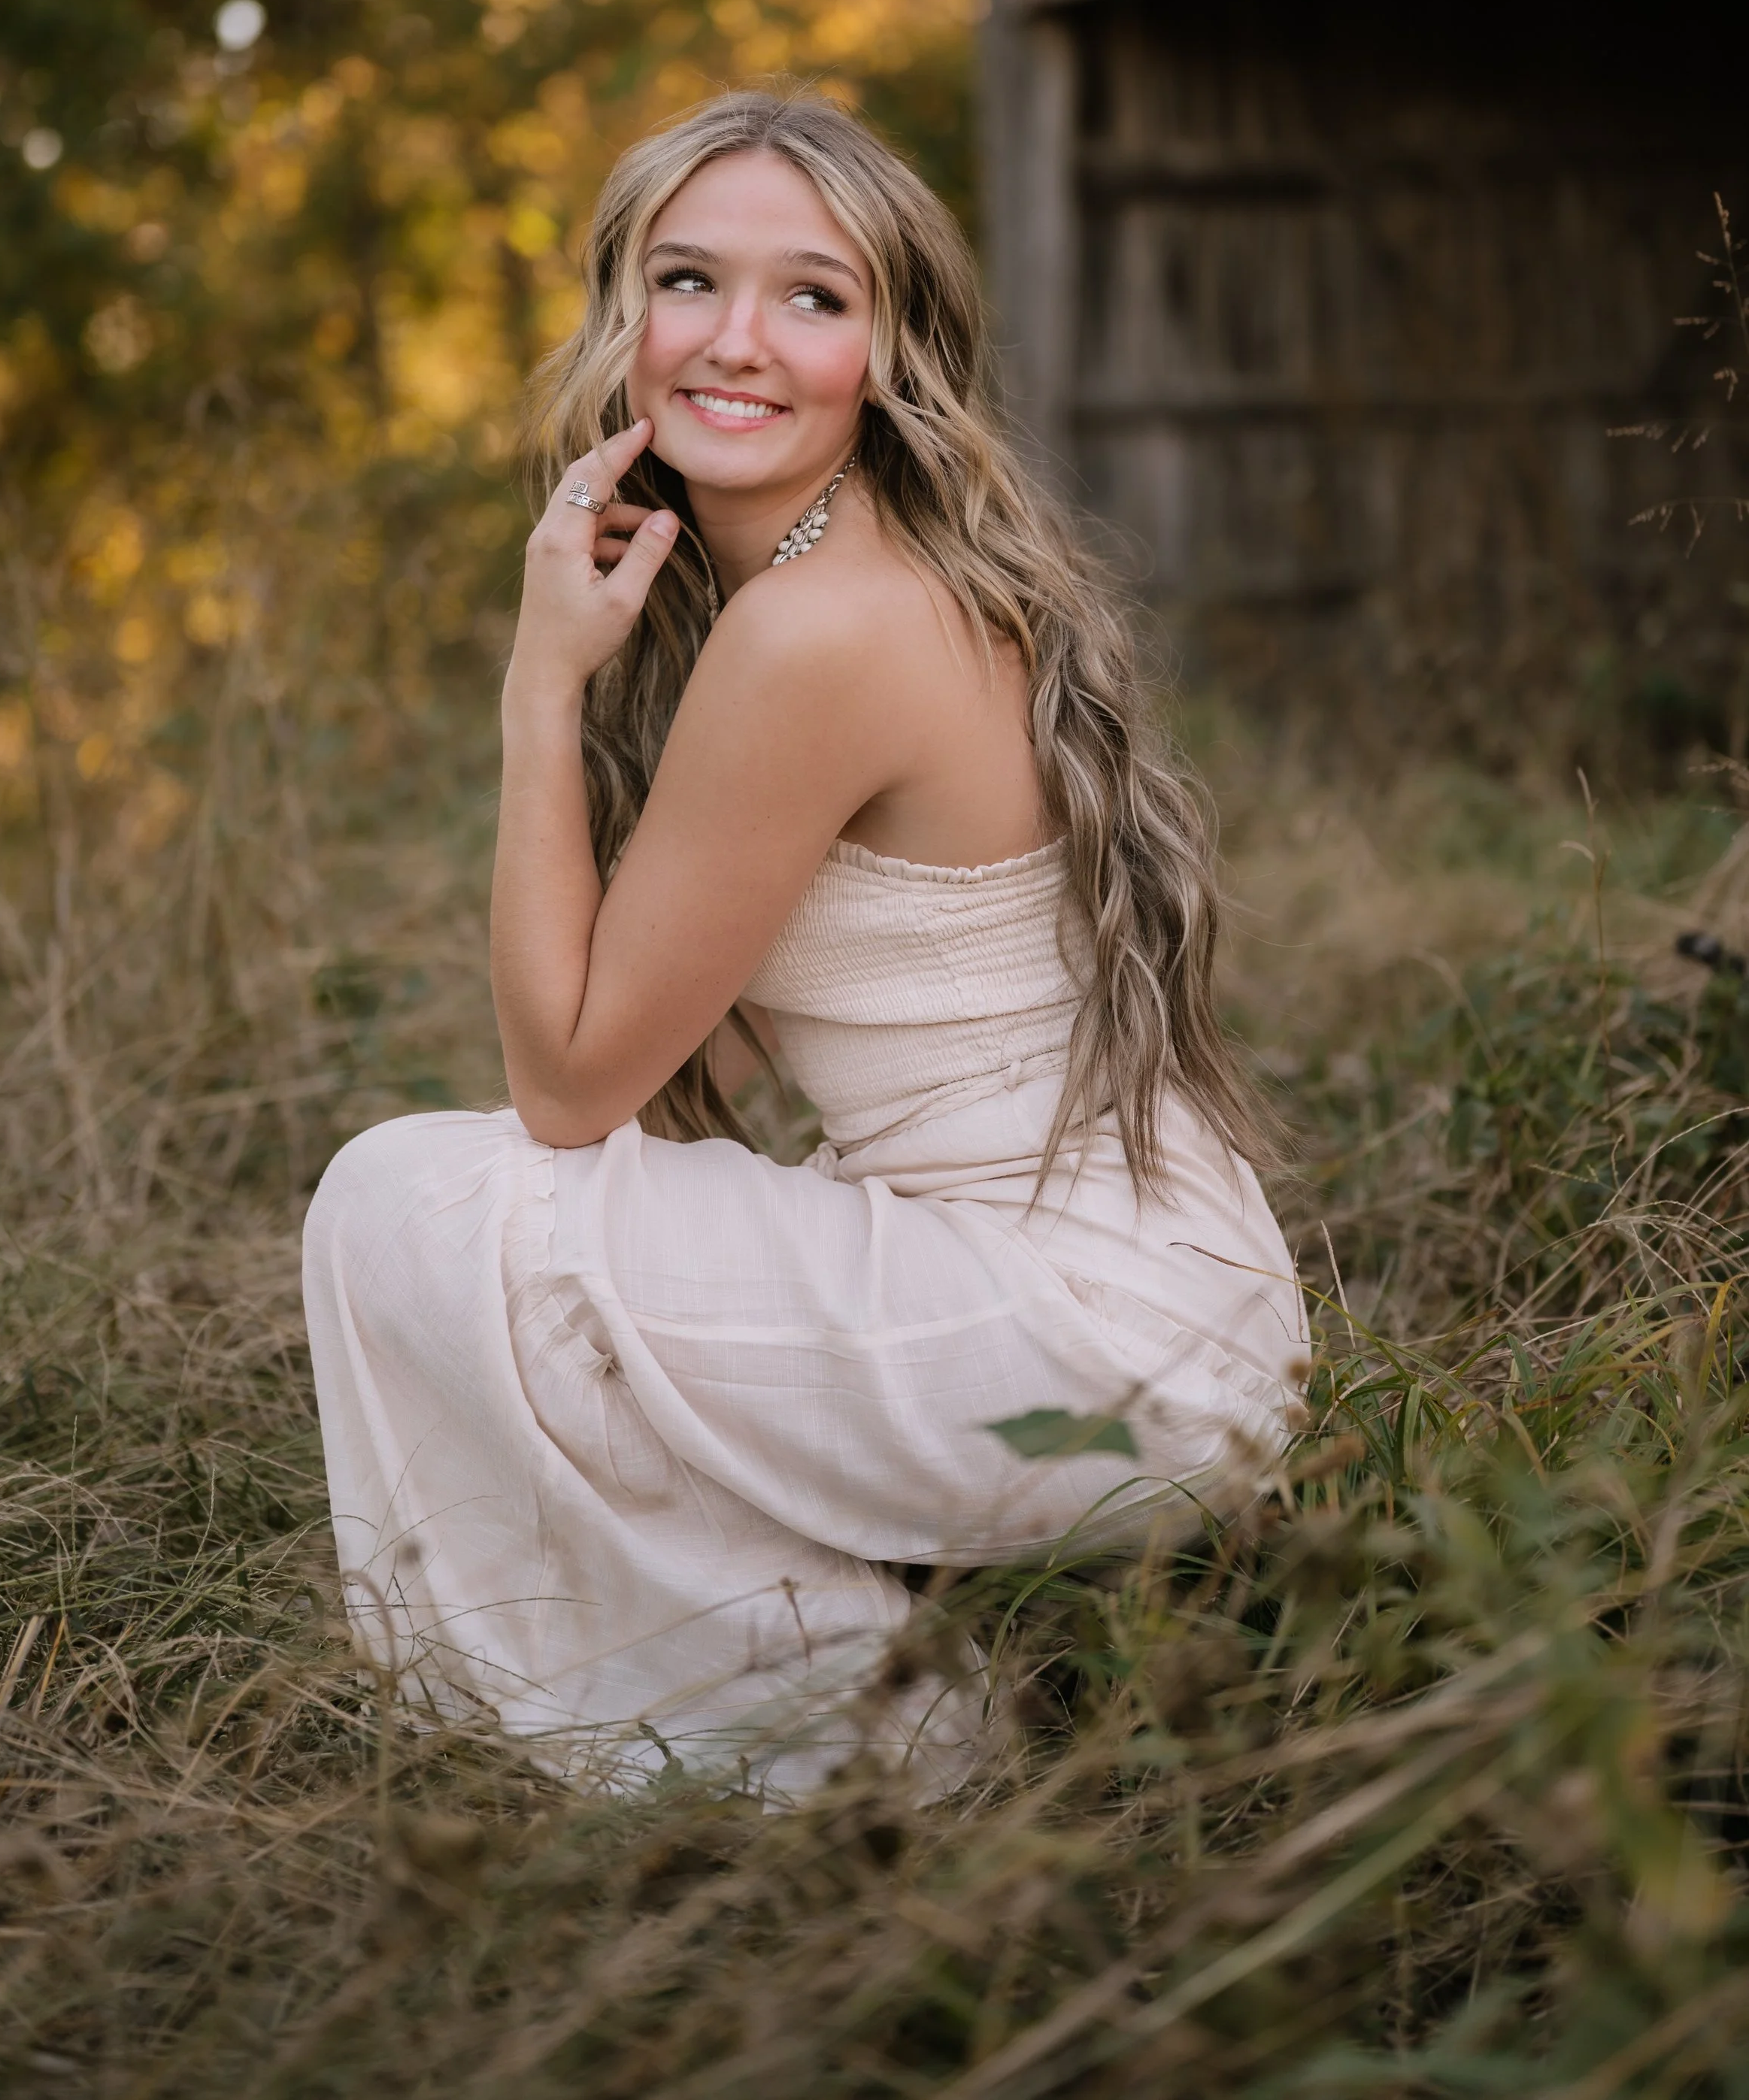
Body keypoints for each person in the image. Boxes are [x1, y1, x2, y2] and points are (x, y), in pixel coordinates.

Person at [302, 89, 1306, 1800]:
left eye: (812, 296)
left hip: (1095, 1346)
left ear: (889, 349)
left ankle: (872, 1743)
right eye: (689, 281)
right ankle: (837, 1670)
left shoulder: (818, 631)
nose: (736, 343)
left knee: (408, 1199)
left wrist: (540, 689)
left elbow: (568, 1088)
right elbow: (691, 1070)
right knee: (488, 1226)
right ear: (625, 317)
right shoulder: (855, 589)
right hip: (1172, 1333)